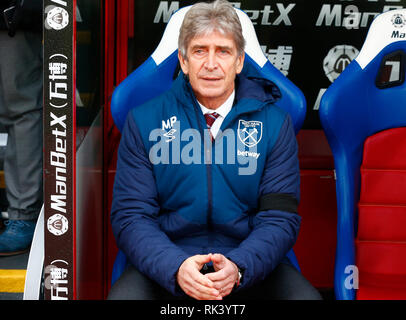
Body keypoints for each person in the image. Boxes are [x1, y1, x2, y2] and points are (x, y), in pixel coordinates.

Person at [108, 0, 321, 300]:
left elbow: (279, 218)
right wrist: (176, 268)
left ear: (239, 61)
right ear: (183, 61)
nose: (211, 63)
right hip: (167, 265)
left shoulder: (275, 125)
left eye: (223, 51)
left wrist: (239, 267)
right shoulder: (144, 121)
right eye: (199, 51)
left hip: (248, 266)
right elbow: (131, 217)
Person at [0, 0, 43, 255]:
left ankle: (23, 216)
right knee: (22, 110)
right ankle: (22, 215)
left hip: (11, 17)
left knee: (23, 108)